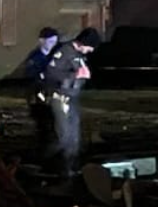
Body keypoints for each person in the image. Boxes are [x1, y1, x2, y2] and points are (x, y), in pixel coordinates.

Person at [37, 27, 100, 177]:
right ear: (82, 43)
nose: (90, 51)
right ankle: (47, 164)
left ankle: (70, 168)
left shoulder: (78, 55)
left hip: (72, 99)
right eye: (90, 47)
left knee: (74, 138)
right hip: (60, 98)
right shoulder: (64, 52)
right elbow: (51, 73)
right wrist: (74, 75)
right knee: (64, 137)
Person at [23, 27, 60, 160]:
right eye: (50, 42)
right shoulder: (35, 58)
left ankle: (52, 150)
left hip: (52, 96)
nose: (53, 45)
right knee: (44, 124)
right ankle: (43, 152)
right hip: (39, 98)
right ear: (41, 41)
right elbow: (31, 75)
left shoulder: (55, 56)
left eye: (55, 42)